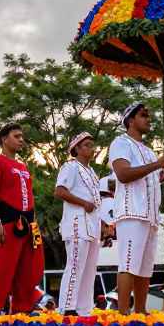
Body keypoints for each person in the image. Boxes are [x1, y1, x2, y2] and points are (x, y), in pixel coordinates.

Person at [108, 103, 164, 315]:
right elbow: (124, 174)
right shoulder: (120, 143)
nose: (148, 119)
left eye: (148, 115)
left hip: (151, 216)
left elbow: (149, 179)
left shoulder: (148, 151)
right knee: (128, 264)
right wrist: (158, 165)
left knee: (145, 268)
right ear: (131, 121)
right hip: (131, 213)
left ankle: (140, 312)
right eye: (143, 115)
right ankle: (123, 315)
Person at [0, 123, 43, 314]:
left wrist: (34, 227)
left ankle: (22, 309)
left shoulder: (23, 166)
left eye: (22, 137)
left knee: (28, 269)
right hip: (6, 223)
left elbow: (29, 196)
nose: (21, 140)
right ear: (4, 140)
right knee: (3, 268)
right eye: (16, 136)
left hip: (27, 224)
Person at [55, 132, 106, 316]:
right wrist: (83, 203)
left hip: (93, 226)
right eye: (86, 144)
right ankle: (67, 308)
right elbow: (59, 191)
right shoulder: (70, 166)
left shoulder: (91, 172)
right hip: (77, 223)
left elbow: (95, 202)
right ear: (76, 148)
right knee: (75, 265)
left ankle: (84, 310)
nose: (91, 147)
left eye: (92, 144)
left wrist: (103, 222)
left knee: (90, 269)